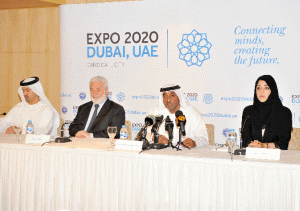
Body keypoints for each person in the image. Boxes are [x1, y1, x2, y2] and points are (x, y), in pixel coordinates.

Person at [241, 75, 292, 149]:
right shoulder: (248, 111)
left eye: (266, 88)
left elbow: (283, 142)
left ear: (272, 90)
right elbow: (245, 139)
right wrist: (252, 144)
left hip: (276, 157)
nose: (261, 91)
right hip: (252, 156)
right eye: (258, 88)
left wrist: (264, 146)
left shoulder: (284, 113)